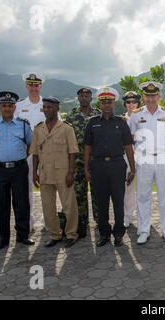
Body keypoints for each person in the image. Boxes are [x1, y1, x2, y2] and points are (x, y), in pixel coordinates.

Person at [0, 91, 34, 252]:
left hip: (19, 168)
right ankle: (2, 239)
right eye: (4, 105)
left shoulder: (23, 124)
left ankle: (23, 236)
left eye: (10, 106)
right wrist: (2, 159)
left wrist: (18, 158)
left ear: (14, 107)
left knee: (22, 202)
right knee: (0, 204)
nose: (7, 108)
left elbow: (30, 145)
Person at [84, 87, 135, 247]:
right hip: (98, 165)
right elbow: (87, 147)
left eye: (110, 102)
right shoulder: (92, 123)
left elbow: (128, 147)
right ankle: (104, 234)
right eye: (104, 102)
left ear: (114, 104)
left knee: (118, 201)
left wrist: (132, 169)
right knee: (101, 201)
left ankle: (119, 233)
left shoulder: (121, 122)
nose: (107, 105)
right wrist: (86, 168)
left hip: (117, 165)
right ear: (100, 103)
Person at [130, 81, 165, 244]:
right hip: (144, 158)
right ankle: (143, 230)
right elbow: (131, 138)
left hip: (162, 158)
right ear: (143, 96)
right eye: (147, 96)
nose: (150, 99)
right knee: (143, 196)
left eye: (153, 96)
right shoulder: (136, 114)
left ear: (159, 96)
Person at [31, 97, 79, 248]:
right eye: (44, 107)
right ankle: (55, 235)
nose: (47, 110)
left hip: (63, 173)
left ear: (57, 109)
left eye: (50, 107)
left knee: (69, 205)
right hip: (45, 173)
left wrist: (71, 172)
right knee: (47, 206)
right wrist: (34, 173)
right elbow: (35, 153)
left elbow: (72, 152)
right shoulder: (39, 129)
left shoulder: (66, 128)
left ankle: (71, 234)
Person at [65, 88, 100, 238]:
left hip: (95, 160)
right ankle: (82, 223)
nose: (84, 98)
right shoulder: (71, 114)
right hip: (77, 160)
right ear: (78, 98)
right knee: (79, 194)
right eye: (82, 96)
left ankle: (100, 221)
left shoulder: (98, 114)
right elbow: (66, 137)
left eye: (87, 96)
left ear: (91, 98)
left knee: (98, 193)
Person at [14, 72, 46, 231]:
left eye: (36, 85)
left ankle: (47, 220)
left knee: (47, 185)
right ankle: (28, 221)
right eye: (31, 85)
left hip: (45, 152)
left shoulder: (47, 105)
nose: (34, 88)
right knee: (25, 187)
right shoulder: (18, 106)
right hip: (25, 152)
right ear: (26, 86)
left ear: (41, 86)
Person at [121, 91, 140, 228]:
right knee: (128, 187)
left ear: (138, 103)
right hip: (127, 157)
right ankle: (127, 216)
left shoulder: (143, 117)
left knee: (143, 188)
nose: (131, 104)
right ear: (125, 104)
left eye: (134, 102)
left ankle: (143, 217)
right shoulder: (121, 120)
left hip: (143, 156)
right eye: (128, 102)